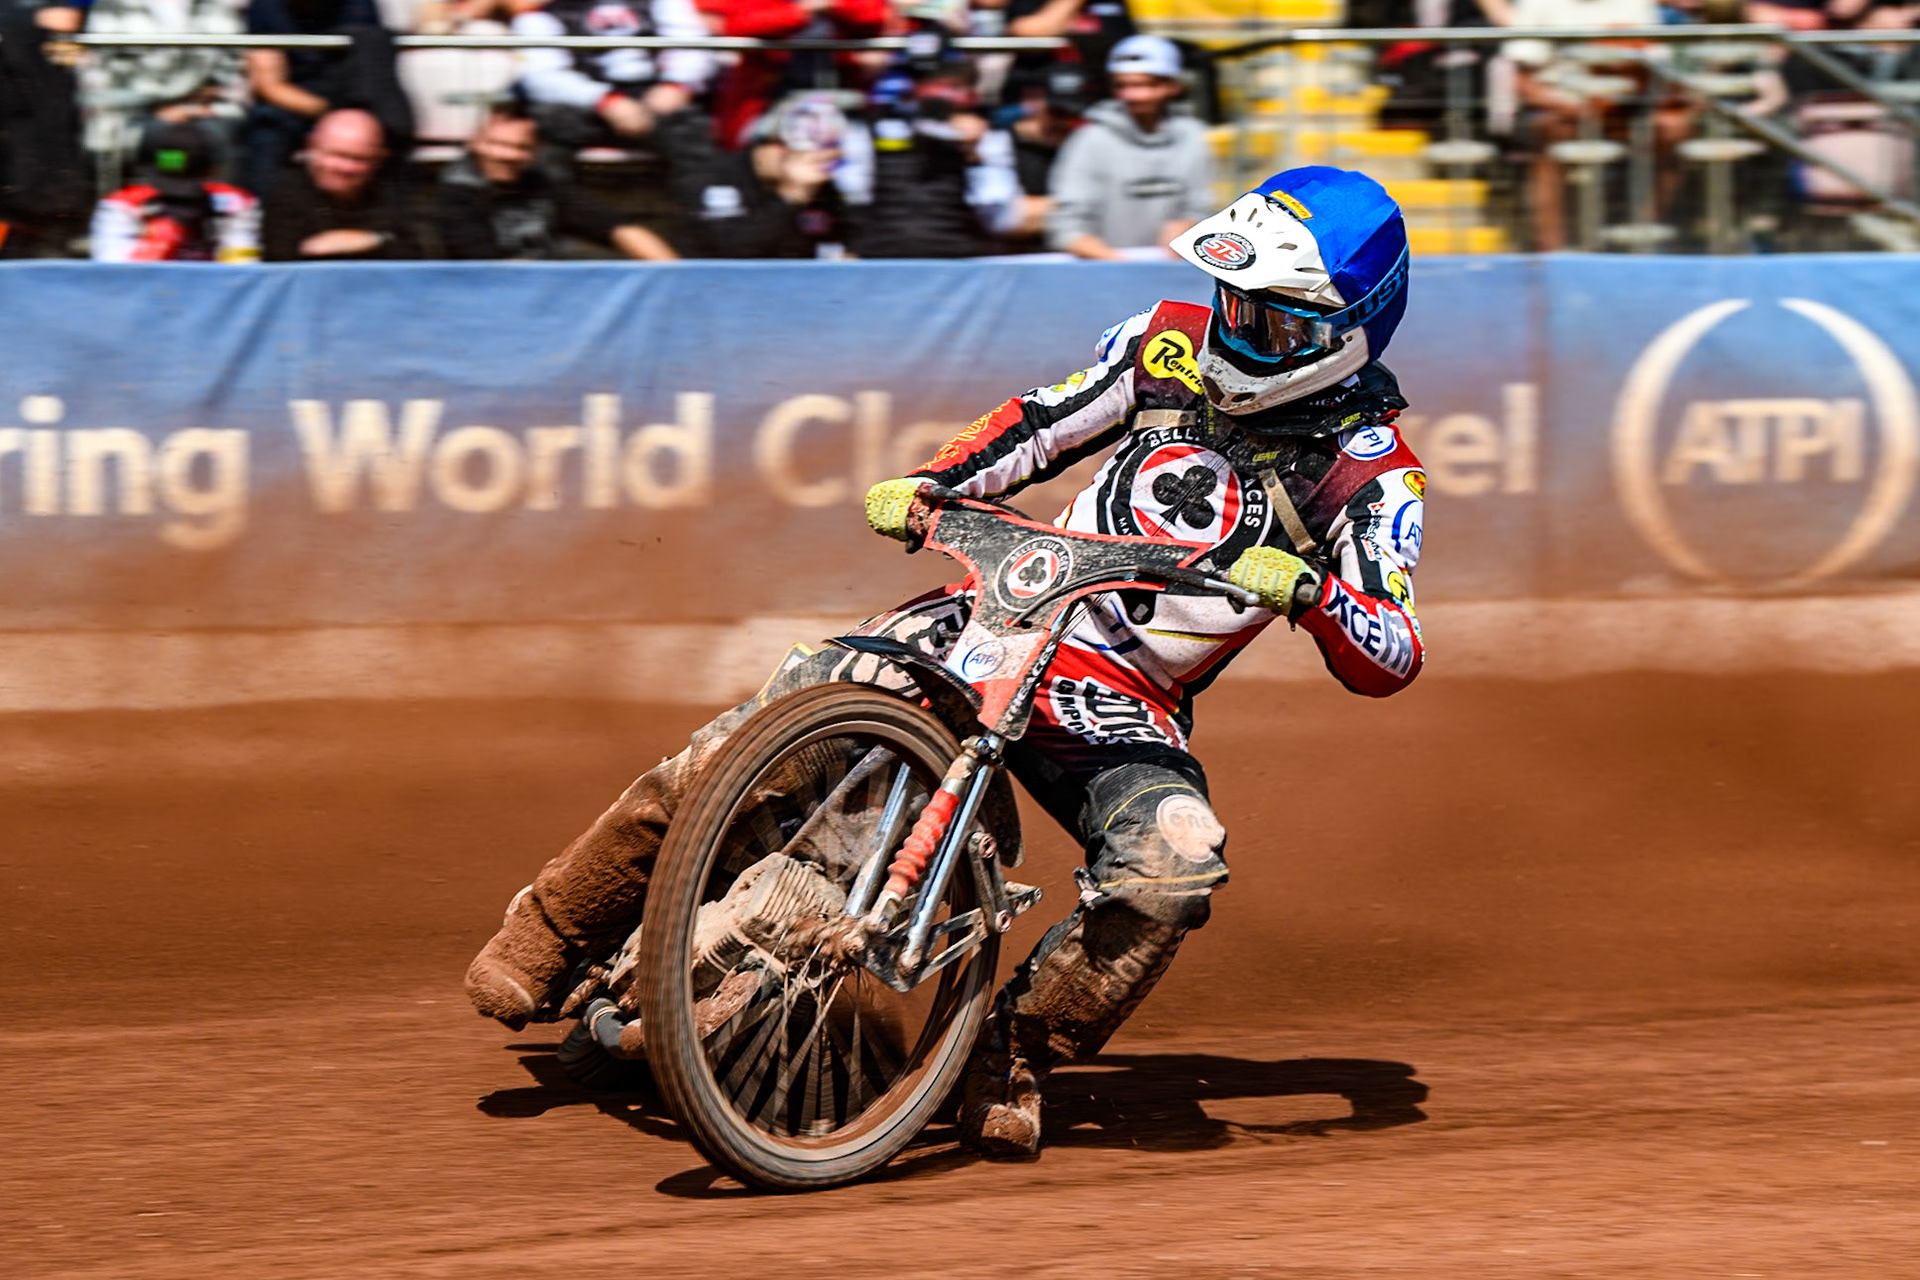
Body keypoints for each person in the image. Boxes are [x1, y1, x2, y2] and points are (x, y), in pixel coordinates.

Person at [463, 166, 1425, 1159]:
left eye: (1267, 319)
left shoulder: (1372, 471)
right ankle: (556, 925)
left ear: (1338, 332)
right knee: (769, 724)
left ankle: (1007, 1050)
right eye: (1234, 299)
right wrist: (934, 480)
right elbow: (1041, 421)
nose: (1237, 327)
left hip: (1126, 696)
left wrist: (1313, 595)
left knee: (1173, 861)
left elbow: (1393, 649)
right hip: (1009, 605)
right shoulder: (1168, 339)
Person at [436, 103, 677, 258]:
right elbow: (484, 264)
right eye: (496, 144)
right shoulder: (456, 190)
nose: (508, 156)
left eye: (521, 147)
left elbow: (617, 228)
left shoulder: (543, 181)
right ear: (475, 143)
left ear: (536, 150)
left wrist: (677, 275)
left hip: (545, 286)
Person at [1047, 35, 1212, 260]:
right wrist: (1121, 264)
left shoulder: (1195, 136)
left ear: (1173, 86)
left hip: (1180, 269)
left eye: (1146, 84)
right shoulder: (1089, 140)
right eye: (1123, 85)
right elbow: (1068, 225)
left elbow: (1206, 205)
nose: (1133, 95)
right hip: (1105, 271)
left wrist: (1191, 228)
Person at [242, 0, 414, 198]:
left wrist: (349, 118)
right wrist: (331, 114)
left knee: (391, 130)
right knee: (266, 128)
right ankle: (262, 209)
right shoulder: (265, 7)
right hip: (294, 104)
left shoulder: (360, 5)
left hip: (353, 96)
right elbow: (269, 86)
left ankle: (393, 216)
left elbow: (370, 68)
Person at [655, 92, 851, 259]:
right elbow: (729, 252)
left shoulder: (820, 186)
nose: (817, 162)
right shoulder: (713, 177)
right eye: (806, 150)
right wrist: (790, 195)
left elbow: (842, 239)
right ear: (774, 142)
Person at [509, 0, 716, 149]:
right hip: (586, 105)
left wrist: (677, 84)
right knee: (544, 125)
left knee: (698, 128)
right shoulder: (543, 9)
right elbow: (541, 75)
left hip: (658, 99)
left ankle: (715, 208)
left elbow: (693, 45)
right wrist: (605, 101)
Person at [90, 119, 260, 261]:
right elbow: (112, 273)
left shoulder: (234, 203)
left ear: (213, 171)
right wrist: (159, 240)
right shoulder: (123, 206)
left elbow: (242, 269)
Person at [262, 107, 416, 260]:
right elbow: (280, 260)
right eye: (337, 155)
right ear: (311, 147)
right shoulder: (284, 192)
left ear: (378, 160)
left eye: (359, 159)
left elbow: (420, 252)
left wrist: (374, 239)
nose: (346, 168)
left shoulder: (393, 191)